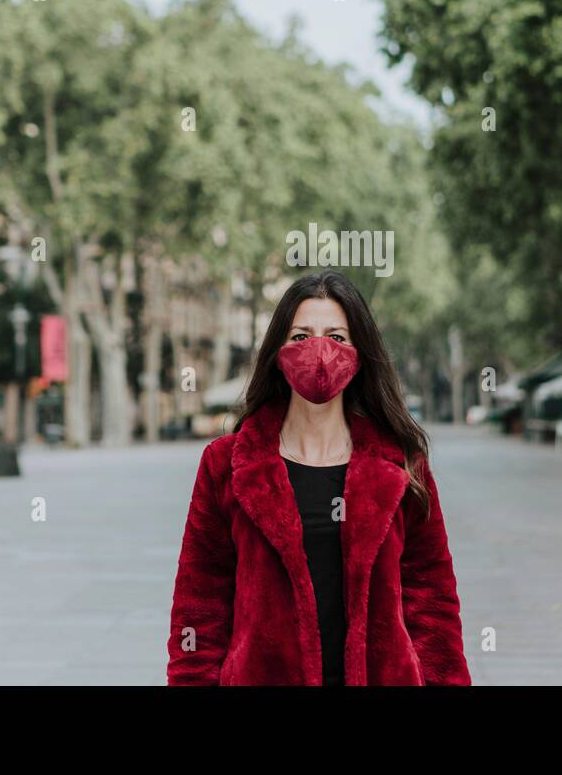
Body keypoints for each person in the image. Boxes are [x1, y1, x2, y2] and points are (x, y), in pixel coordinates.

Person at [166, 271, 471, 685]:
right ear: (276, 351)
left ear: (360, 352)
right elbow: (199, 608)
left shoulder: (401, 465)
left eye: (337, 337)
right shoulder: (225, 465)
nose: (320, 350)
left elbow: (433, 602)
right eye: (300, 336)